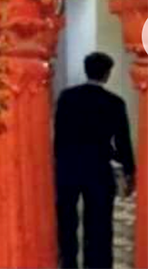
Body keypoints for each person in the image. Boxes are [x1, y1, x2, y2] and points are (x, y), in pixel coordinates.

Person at [55, 52, 136, 269]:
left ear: (86, 69)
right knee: (99, 224)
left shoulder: (67, 98)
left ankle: (68, 263)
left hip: (68, 167)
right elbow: (123, 142)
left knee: (67, 222)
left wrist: (56, 165)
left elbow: (59, 135)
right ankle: (97, 265)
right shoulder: (114, 103)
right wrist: (129, 171)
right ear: (107, 74)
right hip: (98, 168)